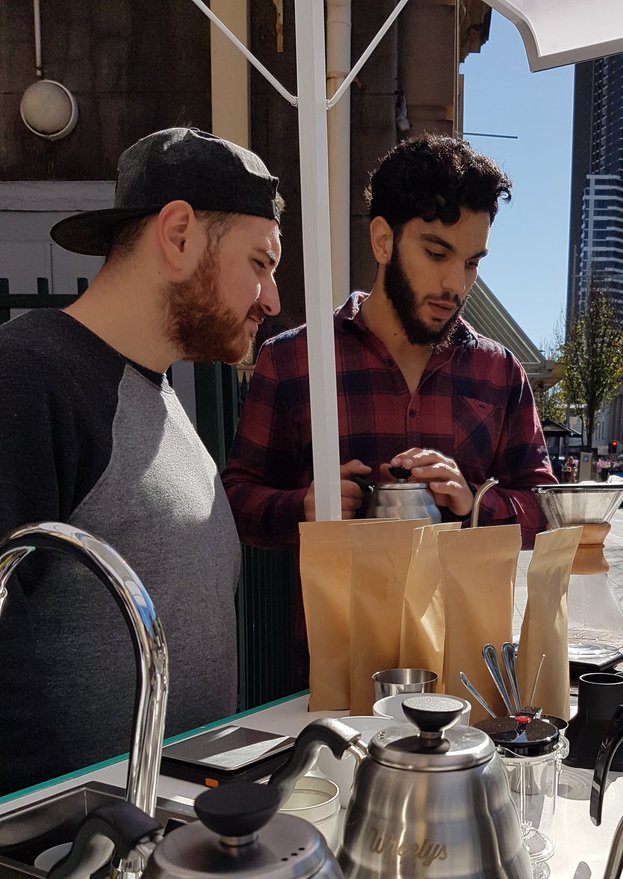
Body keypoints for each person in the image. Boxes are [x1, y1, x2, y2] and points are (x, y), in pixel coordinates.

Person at [0, 127, 283, 796]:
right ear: (179, 234)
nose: (272, 299)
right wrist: (65, 834)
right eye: (261, 263)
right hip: (79, 849)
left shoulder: (158, 394)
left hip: (173, 833)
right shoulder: (28, 376)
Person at [223, 133, 556, 685]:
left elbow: (546, 511)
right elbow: (236, 501)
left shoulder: (499, 372)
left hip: (464, 682)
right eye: (436, 253)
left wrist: (475, 504)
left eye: (472, 262)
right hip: (330, 682)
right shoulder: (294, 361)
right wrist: (305, 507)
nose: (455, 284)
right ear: (382, 240)